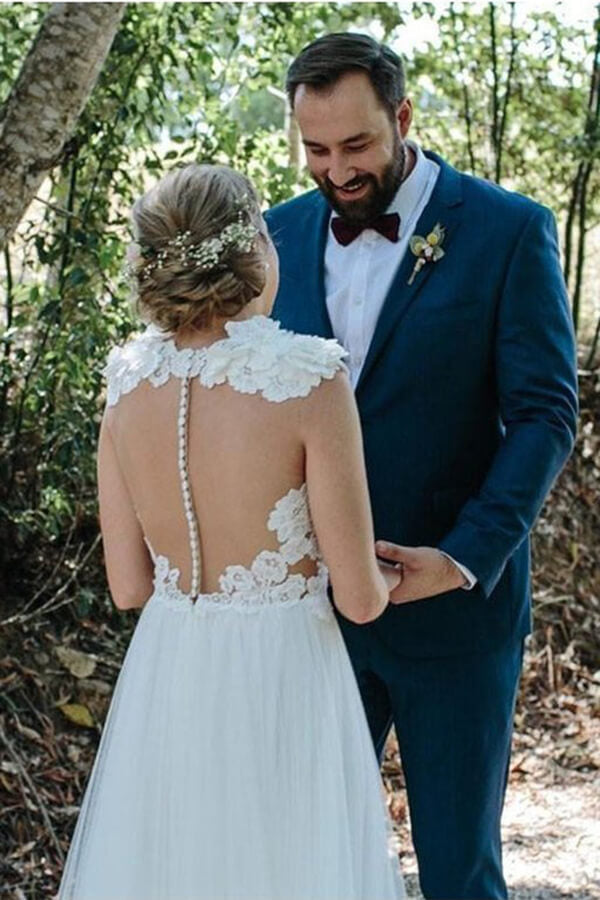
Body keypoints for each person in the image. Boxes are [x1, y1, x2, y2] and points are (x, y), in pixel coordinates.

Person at [265, 32, 578, 900]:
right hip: (312, 616)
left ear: (403, 117)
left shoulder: (511, 231)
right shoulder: (276, 235)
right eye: (316, 149)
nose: (337, 170)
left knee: (458, 873)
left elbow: (547, 414)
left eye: (358, 145)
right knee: (312, 866)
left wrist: (466, 555)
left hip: (453, 616)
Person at [57, 163, 405, 900]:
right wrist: (420, 572)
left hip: (169, 666)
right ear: (252, 247)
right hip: (283, 671)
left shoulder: (125, 379)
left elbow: (127, 586)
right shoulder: (310, 375)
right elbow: (361, 599)